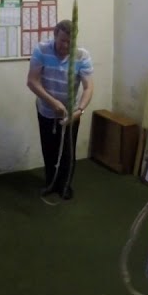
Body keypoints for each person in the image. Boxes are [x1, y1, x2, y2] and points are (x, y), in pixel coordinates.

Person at [26, 19, 94, 199]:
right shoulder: (42, 49)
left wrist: (79, 111)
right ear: (55, 35)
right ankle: (50, 183)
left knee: (67, 152)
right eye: (63, 40)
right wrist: (52, 102)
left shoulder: (82, 55)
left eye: (70, 41)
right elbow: (32, 81)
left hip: (72, 113)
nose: (66, 45)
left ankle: (65, 186)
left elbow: (88, 87)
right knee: (49, 149)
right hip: (46, 110)